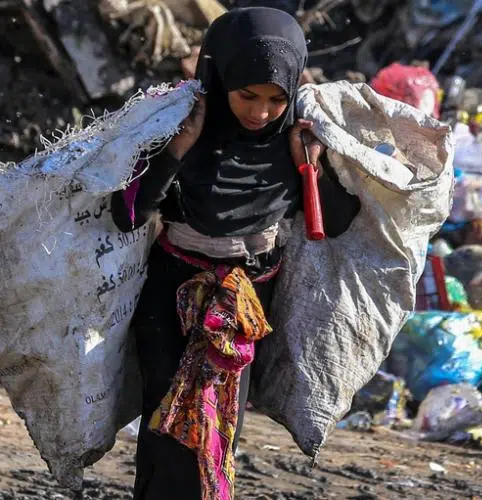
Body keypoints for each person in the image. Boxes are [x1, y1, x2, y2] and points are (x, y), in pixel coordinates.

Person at [110, 7, 358, 500]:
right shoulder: (182, 127)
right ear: (220, 74)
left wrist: (312, 168)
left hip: (245, 306)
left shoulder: (296, 139)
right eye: (247, 95)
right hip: (172, 296)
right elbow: (128, 213)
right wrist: (177, 149)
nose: (260, 112)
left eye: (274, 99)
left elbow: (335, 222)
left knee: (218, 429)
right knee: (168, 430)